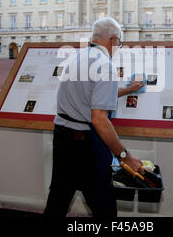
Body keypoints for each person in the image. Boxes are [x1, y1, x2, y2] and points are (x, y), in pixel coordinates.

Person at [44, 17, 145, 217]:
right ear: (113, 40)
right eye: (120, 43)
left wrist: (128, 89)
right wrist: (125, 157)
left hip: (63, 137)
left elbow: (92, 95)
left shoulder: (78, 57)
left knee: (58, 200)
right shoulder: (104, 64)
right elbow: (99, 119)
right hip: (85, 145)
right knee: (104, 206)